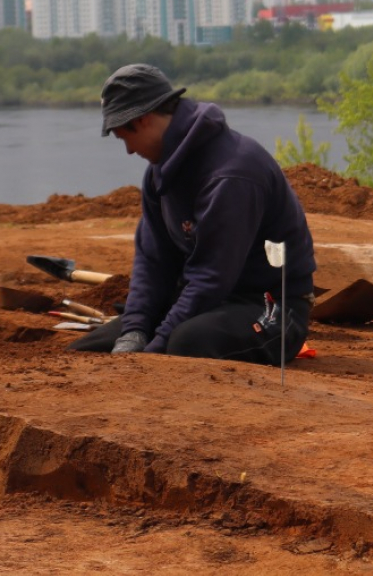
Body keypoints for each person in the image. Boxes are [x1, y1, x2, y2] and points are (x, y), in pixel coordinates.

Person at [70, 64, 316, 364]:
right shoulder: (158, 174)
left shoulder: (232, 175)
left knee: (186, 342)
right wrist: (133, 331)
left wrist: (153, 350)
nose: (129, 152)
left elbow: (210, 277)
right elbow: (153, 261)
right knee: (95, 347)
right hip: (213, 303)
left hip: (273, 308)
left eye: (124, 137)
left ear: (143, 119)